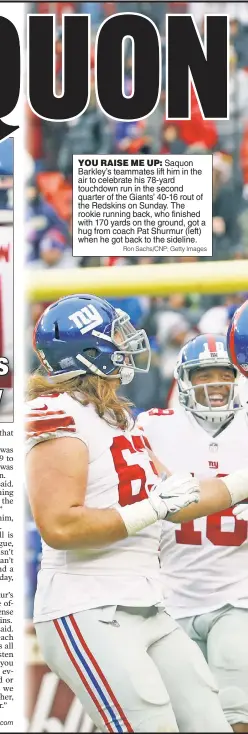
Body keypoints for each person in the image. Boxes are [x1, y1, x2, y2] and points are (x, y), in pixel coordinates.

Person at [25, 296, 247, 734]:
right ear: (89, 352)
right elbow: (60, 525)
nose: (128, 346)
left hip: (146, 603)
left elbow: (181, 497)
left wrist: (241, 484)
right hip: (88, 605)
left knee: (210, 724)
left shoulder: (119, 420)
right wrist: (151, 509)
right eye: (117, 338)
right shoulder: (56, 416)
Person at [138, 333, 248, 733]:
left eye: (224, 373)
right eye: (204, 375)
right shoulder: (152, 428)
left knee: (237, 714)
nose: (215, 384)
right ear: (184, 380)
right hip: (171, 599)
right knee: (189, 722)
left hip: (239, 594)